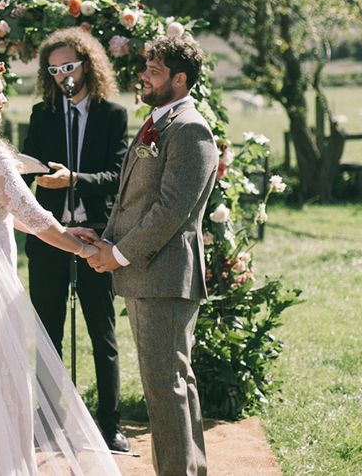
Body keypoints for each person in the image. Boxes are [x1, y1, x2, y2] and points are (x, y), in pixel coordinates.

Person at [0, 61, 121, 475]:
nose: (4, 99)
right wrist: (80, 249)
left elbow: (1, 211)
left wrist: (66, 229)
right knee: (8, 378)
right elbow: (33, 217)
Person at [88, 35, 218, 476]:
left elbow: (170, 212)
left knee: (166, 387)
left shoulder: (189, 129)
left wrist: (119, 254)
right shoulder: (158, 122)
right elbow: (131, 200)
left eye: (154, 70)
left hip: (164, 275)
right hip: (146, 274)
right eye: (145, 65)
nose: (143, 74)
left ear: (180, 80)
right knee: (173, 383)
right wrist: (103, 241)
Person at [22, 28, 129, 452]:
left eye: (69, 66)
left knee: (101, 332)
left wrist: (75, 180)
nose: (62, 76)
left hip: (95, 237)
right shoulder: (41, 114)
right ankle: (50, 418)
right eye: (54, 70)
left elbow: (119, 178)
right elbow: (28, 167)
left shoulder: (113, 114)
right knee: (48, 332)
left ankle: (110, 424)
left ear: (87, 65)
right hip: (51, 237)